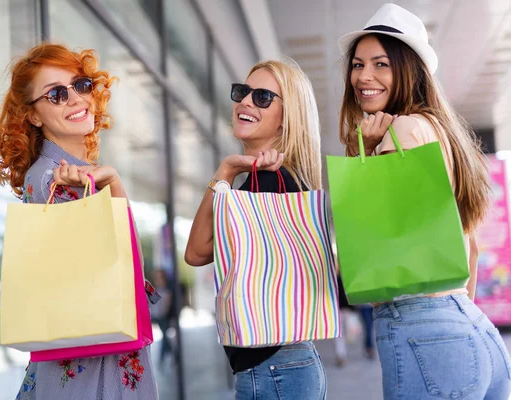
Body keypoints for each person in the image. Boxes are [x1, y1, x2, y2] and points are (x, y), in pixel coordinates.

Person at [338, 3, 511, 399]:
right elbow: (469, 243)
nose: (364, 76)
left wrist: (363, 153)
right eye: (358, 64)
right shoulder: (440, 130)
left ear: (409, 69)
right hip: (471, 326)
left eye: (381, 64)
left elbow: (374, 229)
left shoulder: (402, 129)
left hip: (422, 329)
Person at [0, 43, 158, 400]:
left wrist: (110, 182)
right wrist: (113, 183)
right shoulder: (51, 178)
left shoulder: (82, 172)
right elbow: (118, 265)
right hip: (91, 358)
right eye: (57, 94)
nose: (76, 99)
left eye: (80, 85)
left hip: (99, 345)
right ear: (33, 116)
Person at [184, 59, 327, 399]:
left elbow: (196, 251)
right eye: (243, 92)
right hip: (286, 363)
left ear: (287, 116)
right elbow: (197, 253)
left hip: (273, 365)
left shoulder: (267, 186)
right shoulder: (266, 184)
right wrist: (229, 169)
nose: (246, 101)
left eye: (262, 97)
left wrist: (225, 174)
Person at [149, 269, 173, 368]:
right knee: (164, 337)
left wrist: (164, 313)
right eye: (156, 277)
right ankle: (172, 355)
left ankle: (163, 358)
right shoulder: (156, 289)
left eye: (159, 277)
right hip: (157, 316)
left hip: (163, 316)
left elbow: (166, 305)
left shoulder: (166, 290)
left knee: (164, 337)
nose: (157, 279)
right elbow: (153, 302)